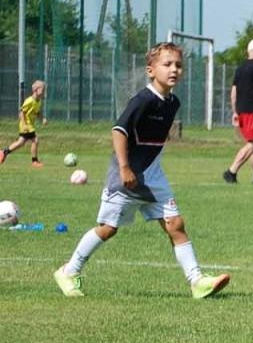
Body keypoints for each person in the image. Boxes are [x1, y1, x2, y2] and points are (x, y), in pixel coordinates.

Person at [53, 43, 230, 300]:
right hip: (128, 177)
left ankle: (197, 282)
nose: (174, 69)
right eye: (167, 64)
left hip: (153, 177)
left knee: (175, 224)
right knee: (108, 228)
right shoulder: (143, 100)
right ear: (150, 70)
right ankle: (69, 271)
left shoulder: (173, 102)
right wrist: (125, 168)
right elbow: (118, 131)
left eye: (178, 65)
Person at [224, 38, 253, 184]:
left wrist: (235, 111)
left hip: (242, 109)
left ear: (248, 51)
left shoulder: (240, 68)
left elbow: (233, 92)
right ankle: (231, 171)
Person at [1, 79, 47, 167]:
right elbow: (22, 112)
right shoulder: (29, 100)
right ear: (35, 90)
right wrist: (25, 124)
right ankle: (34, 161)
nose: (44, 92)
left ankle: (4, 152)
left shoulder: (38, 101)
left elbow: (37, 112)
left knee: (21, 142)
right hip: (26, 125)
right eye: (43, 90)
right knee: (35, 140)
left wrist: (42, 118)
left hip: (29, 125)